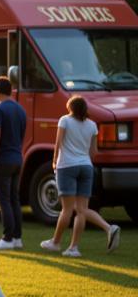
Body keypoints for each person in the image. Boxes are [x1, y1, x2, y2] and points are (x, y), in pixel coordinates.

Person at [41, 95, 121, 257]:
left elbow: (58, 143)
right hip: (86, 166)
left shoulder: (64, 120)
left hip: (67, 166)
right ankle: (74, 247)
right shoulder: (92, 125)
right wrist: (84, 161)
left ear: (70, 108)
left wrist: (55, 161)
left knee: (67, 209)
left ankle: (55, 243)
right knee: (82, 210)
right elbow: (94, 152)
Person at [0, 77, 28, 251]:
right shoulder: (20, 109)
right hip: (17, 158)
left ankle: (7, 238)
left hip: (2, 160)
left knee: (3, 200)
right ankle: (17, 238)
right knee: (14, 199)